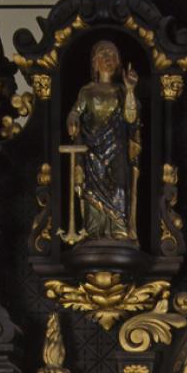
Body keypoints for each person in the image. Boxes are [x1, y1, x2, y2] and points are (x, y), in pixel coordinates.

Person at [66, 40, 141, 243]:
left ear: (118, 63)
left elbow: (131, 118)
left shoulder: (122, 91)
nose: (108, 59)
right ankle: (95, 229)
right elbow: (75, 112)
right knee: (91, 188)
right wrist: (73, 121)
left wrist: (131, 90)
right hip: (92, 149)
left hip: (116, 148)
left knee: (118, 187)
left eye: (112, 55)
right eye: (103, 54)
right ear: (95, 62)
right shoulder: (87, 91)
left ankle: (118, 226)